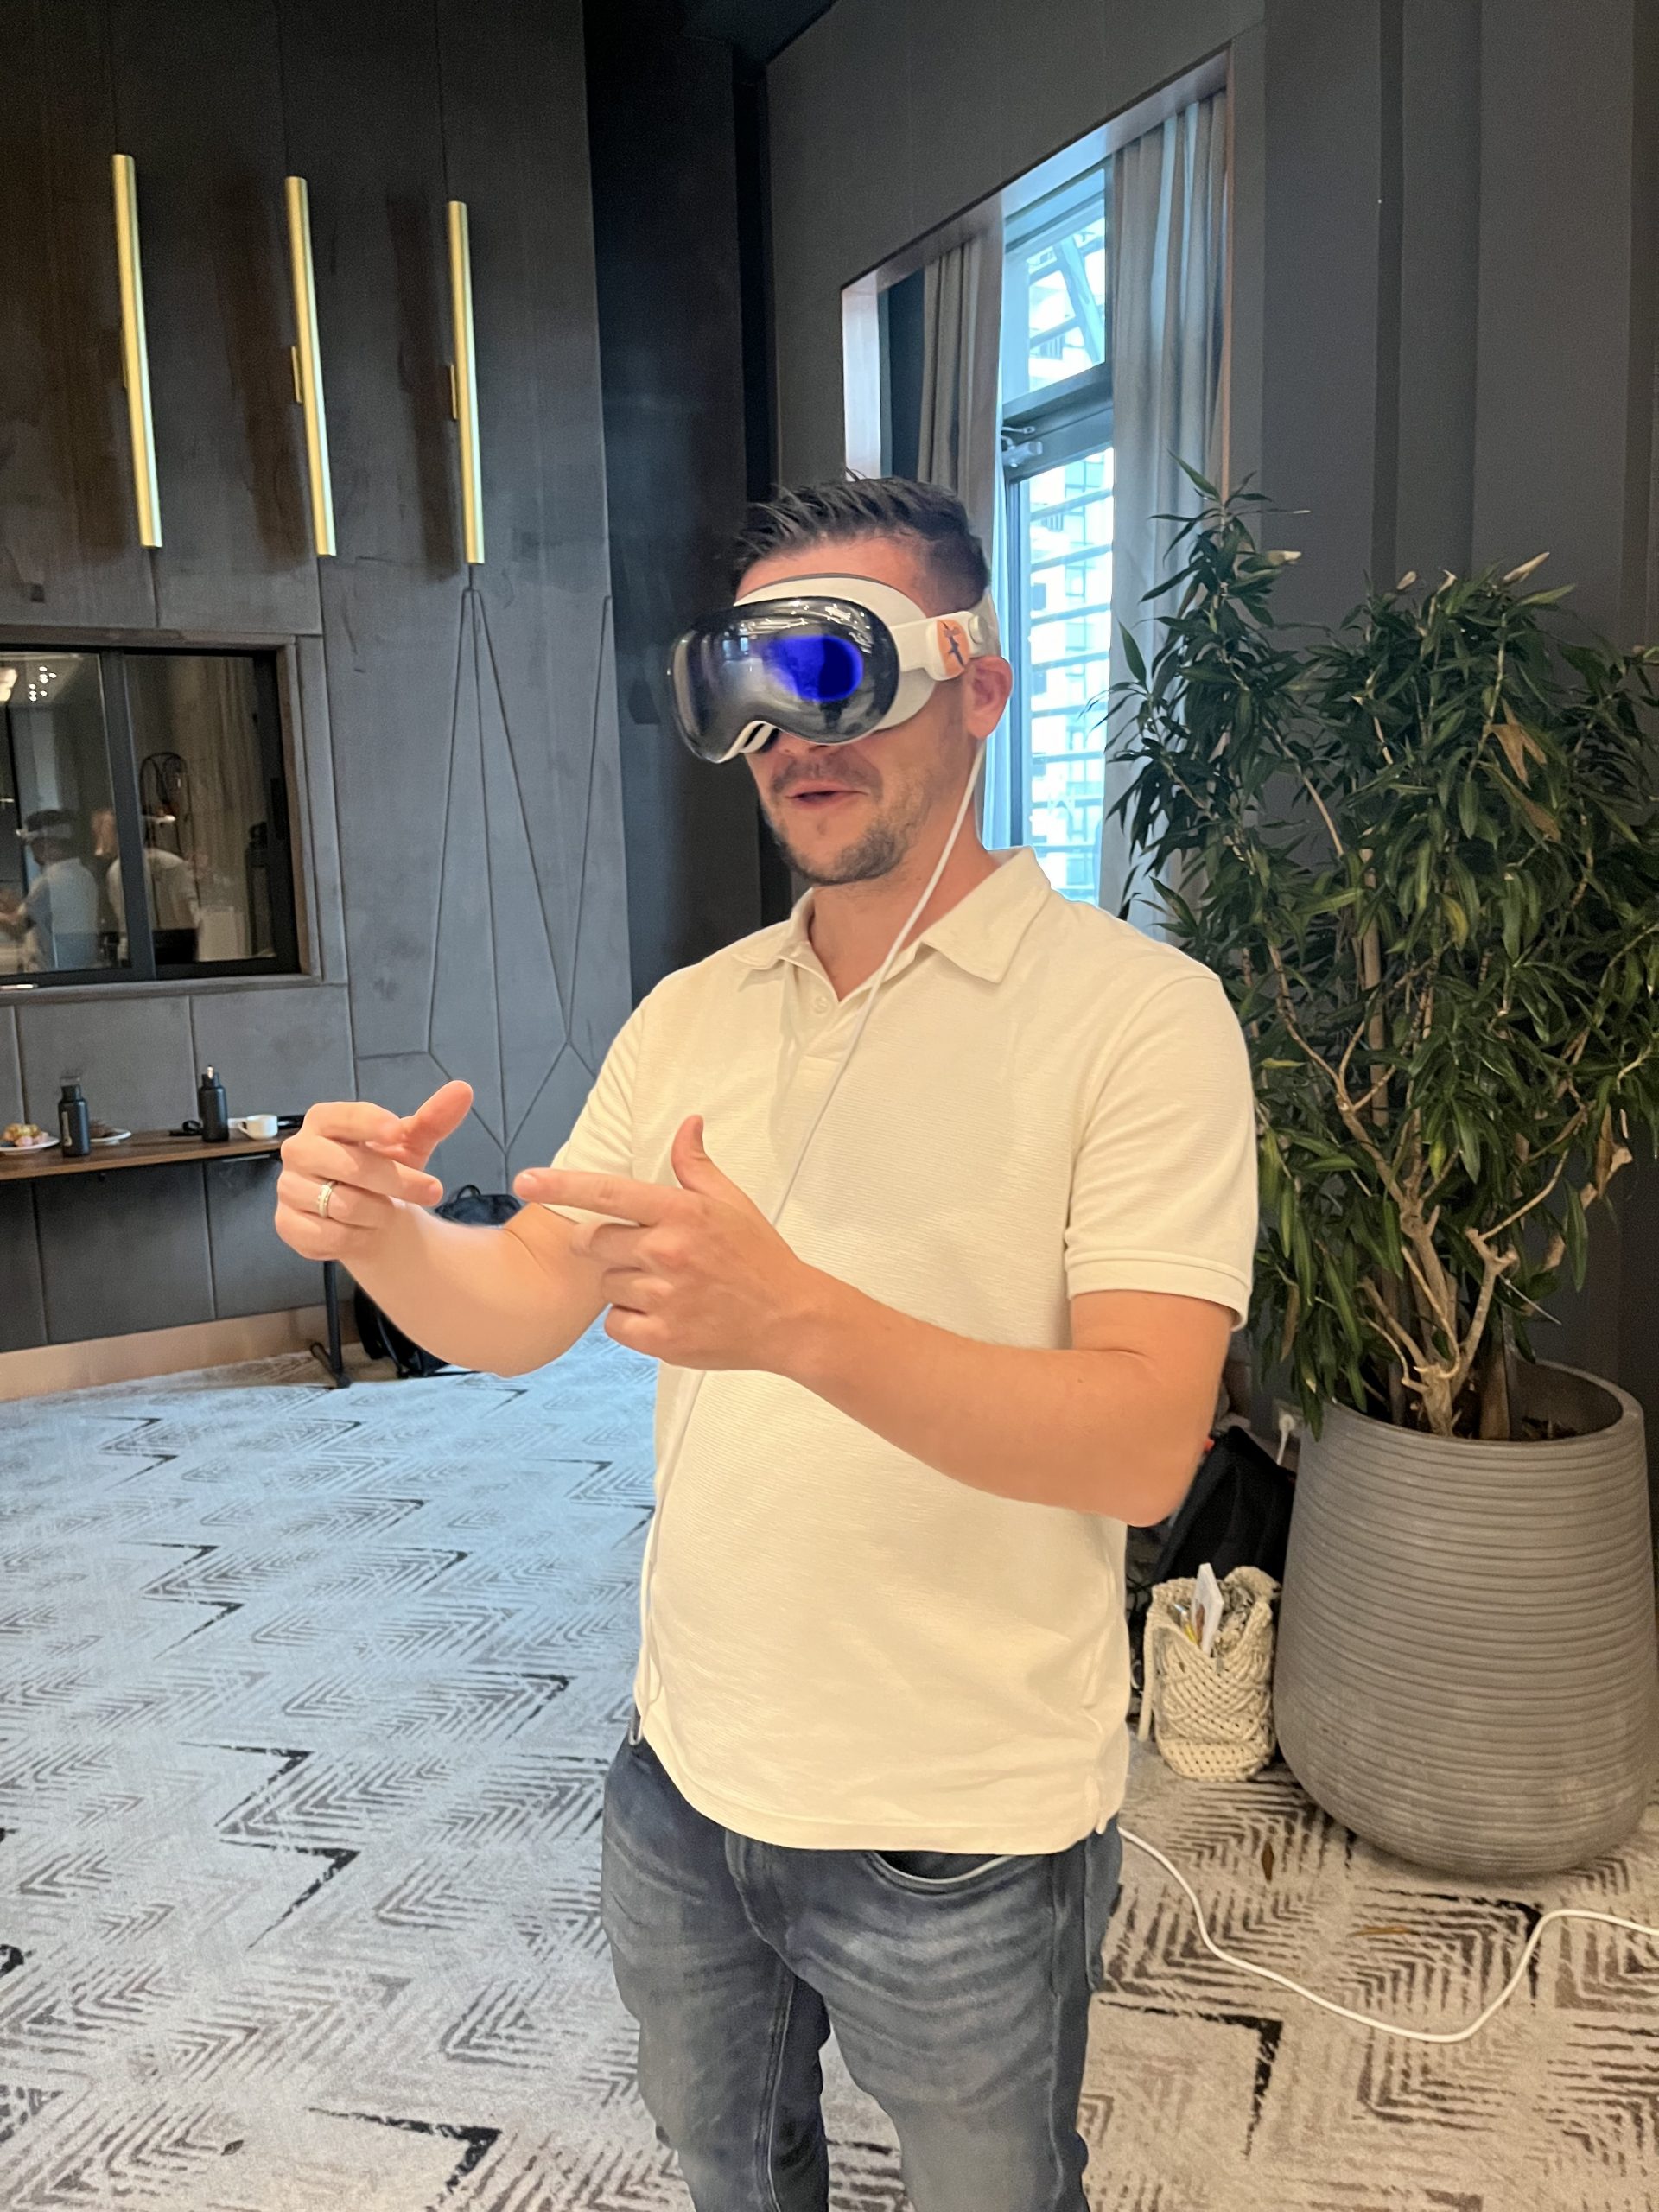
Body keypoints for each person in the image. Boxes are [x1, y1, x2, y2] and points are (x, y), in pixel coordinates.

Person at [273, 478, 1256, 2211]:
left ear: (977, 683)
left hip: (964, 1822)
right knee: (732, 2168)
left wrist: (793, 1318)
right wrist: (383, 1237)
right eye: (744, 683)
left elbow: (1139, 1441)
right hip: (686, 1777)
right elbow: (526, 1304)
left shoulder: (1140, 1018)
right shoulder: (693, 1014)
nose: (787, 733)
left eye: (833, 668)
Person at [0, 808, 102, 972]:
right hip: (81, 969)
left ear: (48, 844)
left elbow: (17, 926)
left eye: (34, 844)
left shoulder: (49, 882)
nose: (33, 850)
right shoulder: (84, 875)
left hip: (56, 972)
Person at [105, 816, 200, 963]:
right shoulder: (173, 863)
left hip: (131, 947)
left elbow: (118, 911)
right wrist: (192, 941)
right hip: (172, 947)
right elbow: (182, 911)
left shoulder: (115, 869)